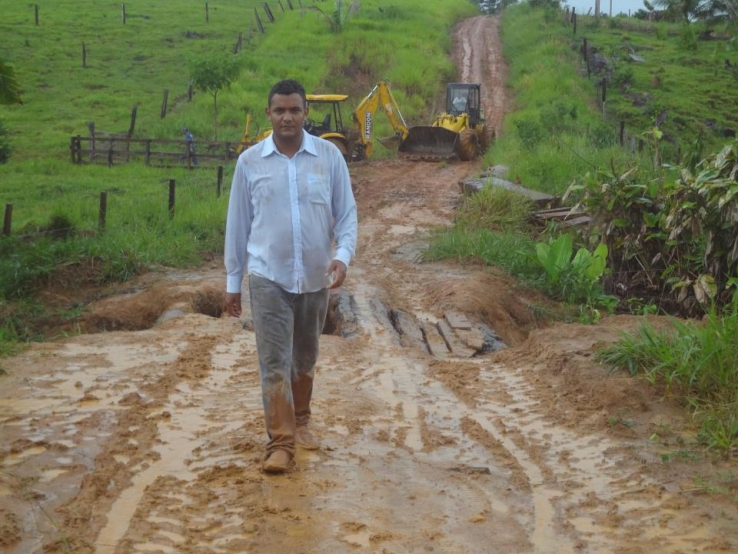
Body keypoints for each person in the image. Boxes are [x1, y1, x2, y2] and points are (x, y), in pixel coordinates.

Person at [224, 79, 358, 474]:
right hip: (268, 277)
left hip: (316, 278)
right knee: (274, 361)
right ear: (269, 114)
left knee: (305, 357)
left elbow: (347, 214)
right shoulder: (249, 162)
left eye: (294, 110)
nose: (287, 116)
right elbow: (238, 225)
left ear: (305, 114)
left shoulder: (329, 157)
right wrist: (234, 283)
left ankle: (301, 422)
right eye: (280, 110)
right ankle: (279, 443)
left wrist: (343, 258)